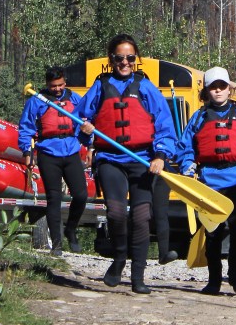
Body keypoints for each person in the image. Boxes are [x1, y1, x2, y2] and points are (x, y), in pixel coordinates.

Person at [75, 34, 177, 294]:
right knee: (116, 213)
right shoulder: (100, 86)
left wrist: (160, 156)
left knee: (142, 218)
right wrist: (86, 130)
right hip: (110, 159)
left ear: (136, 60)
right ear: (112, 59)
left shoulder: (146, 87)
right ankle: (120, 258)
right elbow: (80, 119)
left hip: (142, 159)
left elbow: (165, 125)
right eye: (119, 58)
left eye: (130, 58)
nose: (125, 63)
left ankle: (138, 277)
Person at [176, 67, 236, 295]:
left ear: (229, 89)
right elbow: (185, 146)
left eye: (222, 86)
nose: (218, 91)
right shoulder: (199, 117)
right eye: (213, 87)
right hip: (209, 180)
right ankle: (214, 279)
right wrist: (187, 166)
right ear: (207, 91)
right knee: (213, 232)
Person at [18, 66, 88, 256]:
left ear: (65, 82)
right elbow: (26, 128)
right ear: (47, 84)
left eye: (60, 85)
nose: (57, 89)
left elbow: (87, 119)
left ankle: (71, 229)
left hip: (71, 150)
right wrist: (27, 151)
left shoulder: (74, 99)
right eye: (53, 86)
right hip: (48, 152)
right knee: (54, 198)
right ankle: (56, 244)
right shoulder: (36, 101)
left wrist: (90, 142)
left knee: (81, 195)